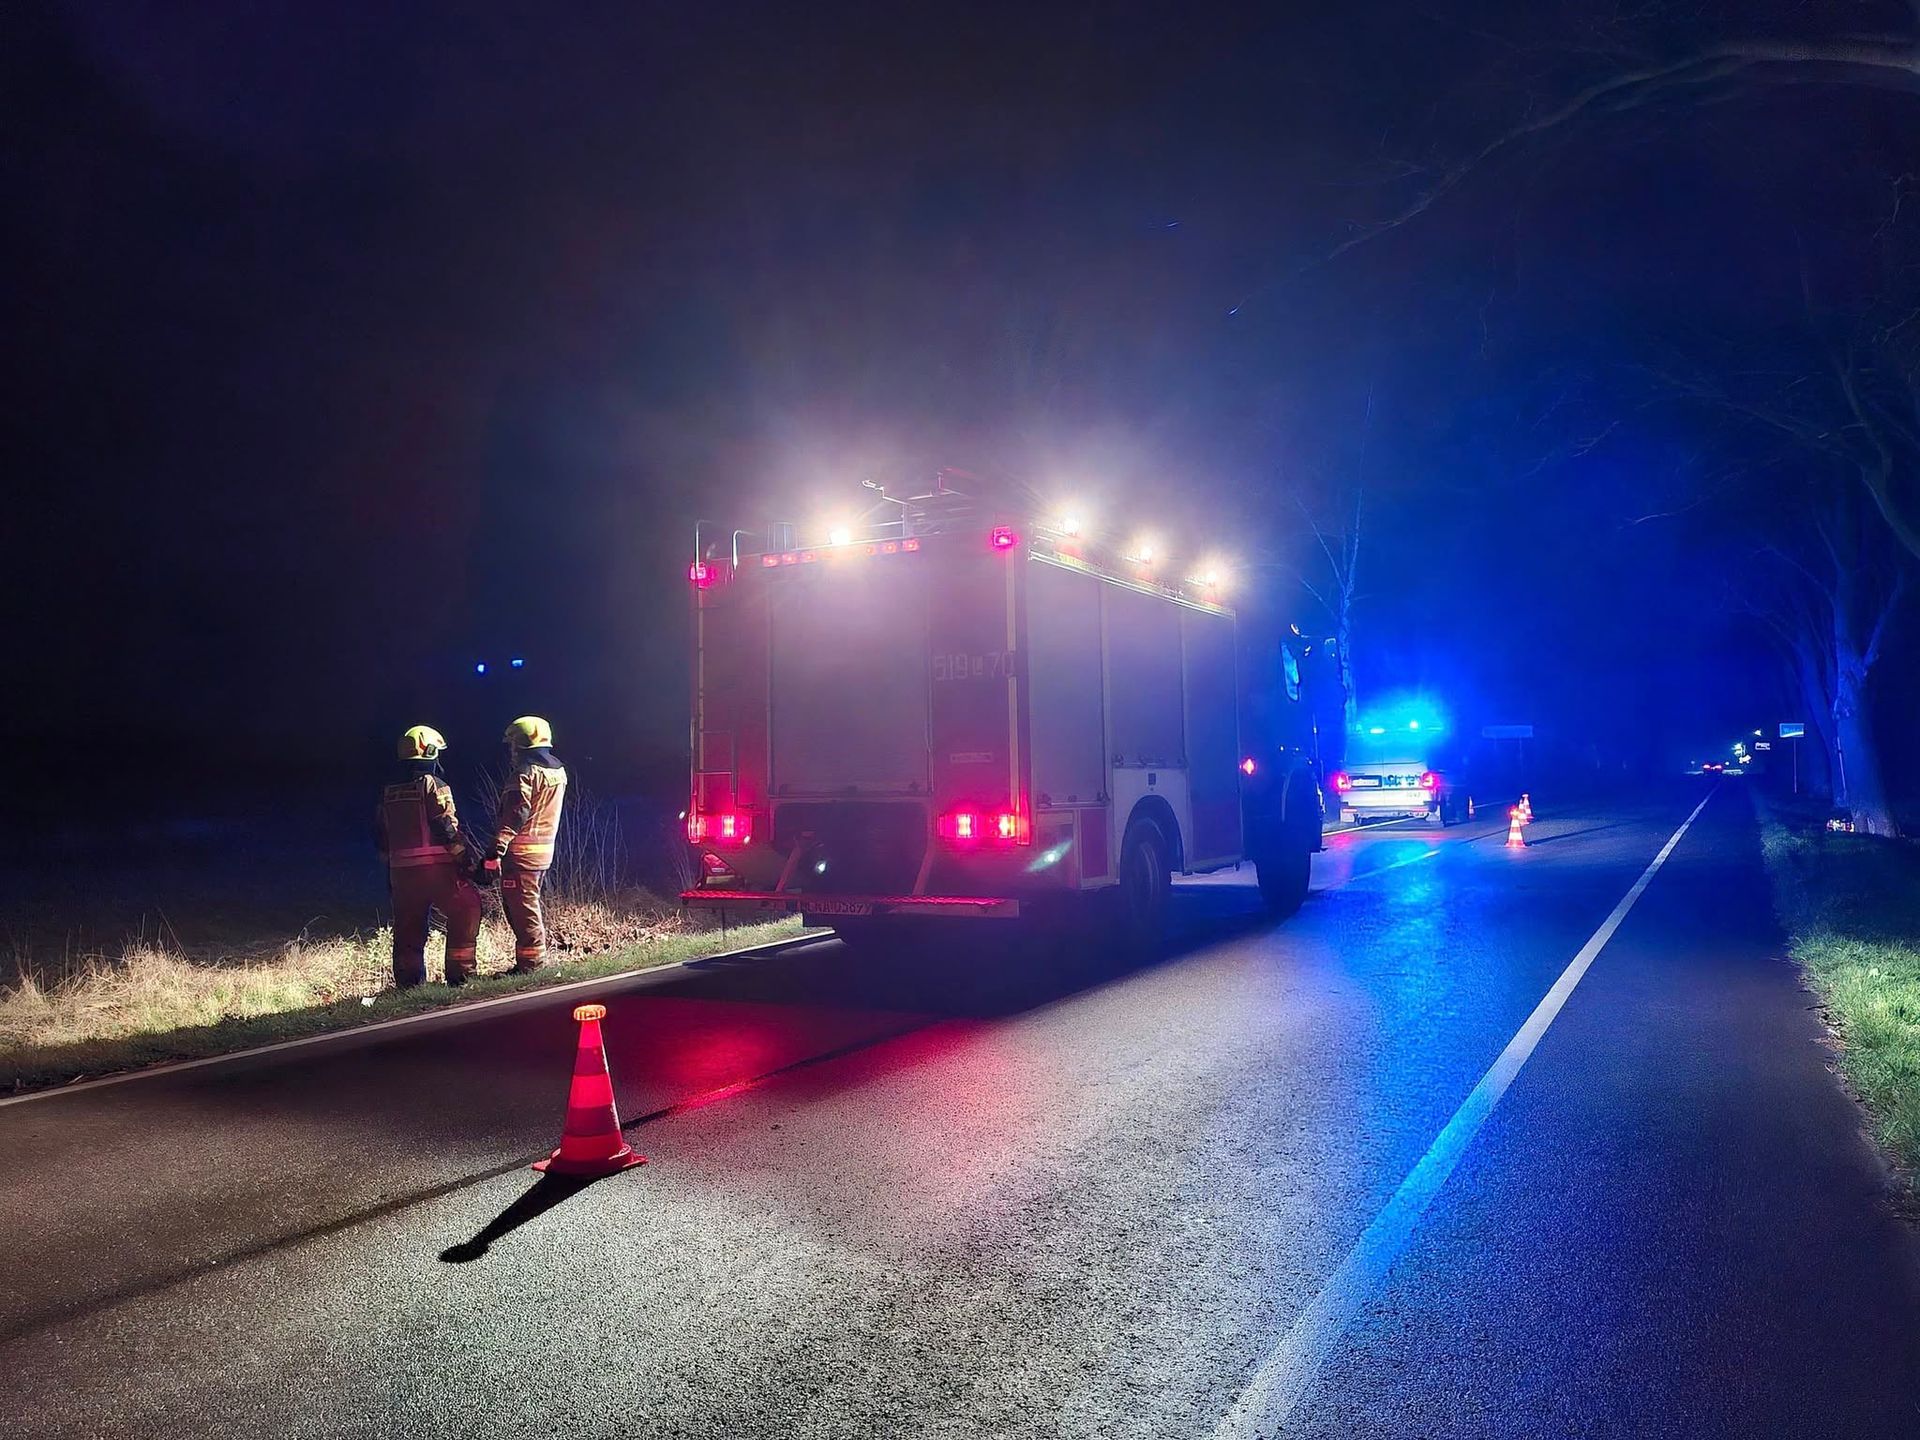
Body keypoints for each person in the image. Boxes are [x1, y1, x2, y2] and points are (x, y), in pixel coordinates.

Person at [374, 725, 482, 988]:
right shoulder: (434, 785)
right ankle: (461, 975)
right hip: (436, 869)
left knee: (408, 928)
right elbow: (445, 826)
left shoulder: (388, 791)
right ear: (431, 753)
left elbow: (380, 833)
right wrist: (466, 860)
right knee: (467, 908)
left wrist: (391, 869)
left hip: (401, 874)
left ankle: (409, 984)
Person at [483, 715, 568, 973]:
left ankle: (530, 966)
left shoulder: (524, 774)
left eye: (512, 745)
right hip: (542, 853)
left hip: (520, 855)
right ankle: (529, 962)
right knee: (526, 906)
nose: (511, 751)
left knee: (523, 911)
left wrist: (494, 851)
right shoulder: (558, 772)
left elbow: (515, 814)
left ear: (520, 744)